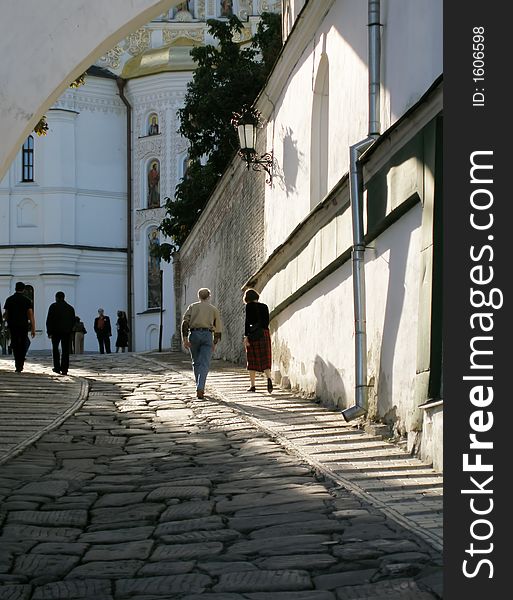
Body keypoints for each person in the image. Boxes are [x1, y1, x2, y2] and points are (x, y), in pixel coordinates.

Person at [181, 288, 223, 399]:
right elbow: (218, 328)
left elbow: (185, 323)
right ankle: (200, 387)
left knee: (196, 362)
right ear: (209, 296)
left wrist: (185, 339)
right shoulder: (213, 309)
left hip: (194, 334)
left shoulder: (192, 307)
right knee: (205, 363)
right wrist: (214, 342)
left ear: (198, 296)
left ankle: (198, 385)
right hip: (207, 335)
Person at [243, 288, 273, 393]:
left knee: (252, 359)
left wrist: (246, 336)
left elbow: (247, 322)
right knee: (265, 357)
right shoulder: (264, 306)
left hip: (253, 335)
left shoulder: (248, 307)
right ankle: (269, 378)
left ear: (247, 298)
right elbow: (267, 322)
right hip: (264, 333)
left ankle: (252, 385)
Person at [3, 281, 36, 372]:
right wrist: (33, 328)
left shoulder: (9, 299)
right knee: (22, 343)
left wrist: (4, 324)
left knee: (15, 343)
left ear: (15, 288)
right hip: (23, 325)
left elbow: (6, 314)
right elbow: (31, 315)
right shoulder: (26, 300)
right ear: (24, 289)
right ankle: (20, 364)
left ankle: (17, 364)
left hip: (13, 325)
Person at [46, 291, 76, 375]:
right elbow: (73, 321)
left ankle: (57, 367)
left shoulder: (53, 306)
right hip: (66, 332)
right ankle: (64, 368)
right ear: (64, 297)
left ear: (56, 297)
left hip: (55, 332)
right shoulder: (70, 308)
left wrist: (49, 331)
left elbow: (49, 320)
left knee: (55, 349)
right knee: (65, 350)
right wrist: (70, 330)